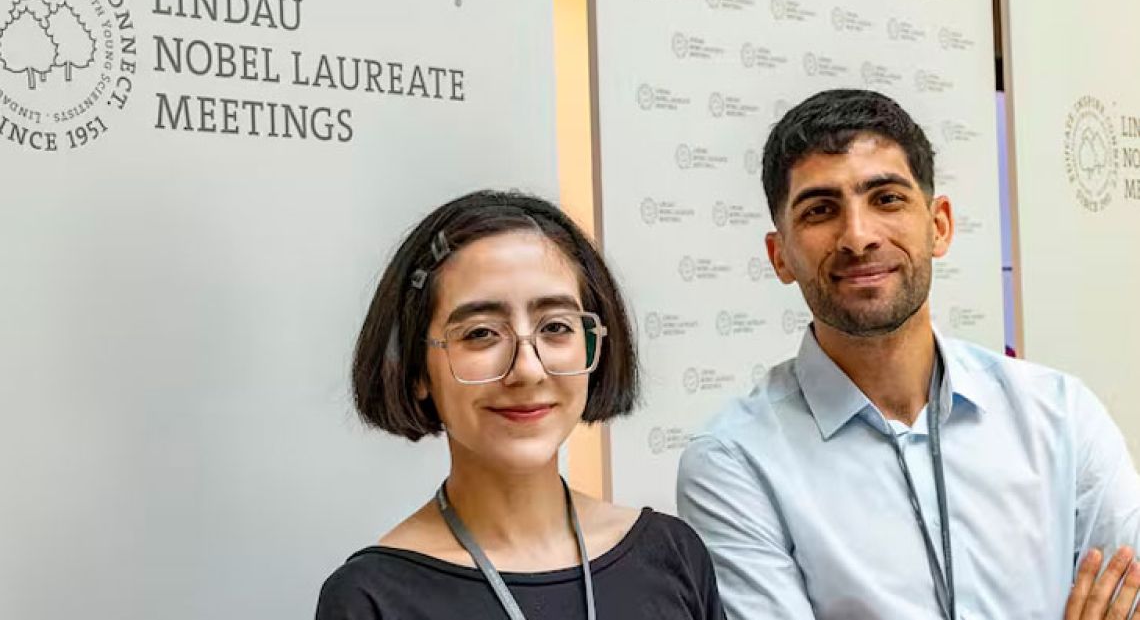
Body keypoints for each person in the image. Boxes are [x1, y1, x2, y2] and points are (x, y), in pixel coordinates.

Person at [676, 89, 1140, 619]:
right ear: (780, 255)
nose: (858, 236)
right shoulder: (734, 461)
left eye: (887, 199)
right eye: (821, 210)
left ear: (938, 226)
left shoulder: (1060, 414)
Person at [317, 190, 725, 619]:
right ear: (416, 368)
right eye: (480, 333)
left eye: (555, 326)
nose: (527, 370)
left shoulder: (672, 555)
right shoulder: (370, 598)